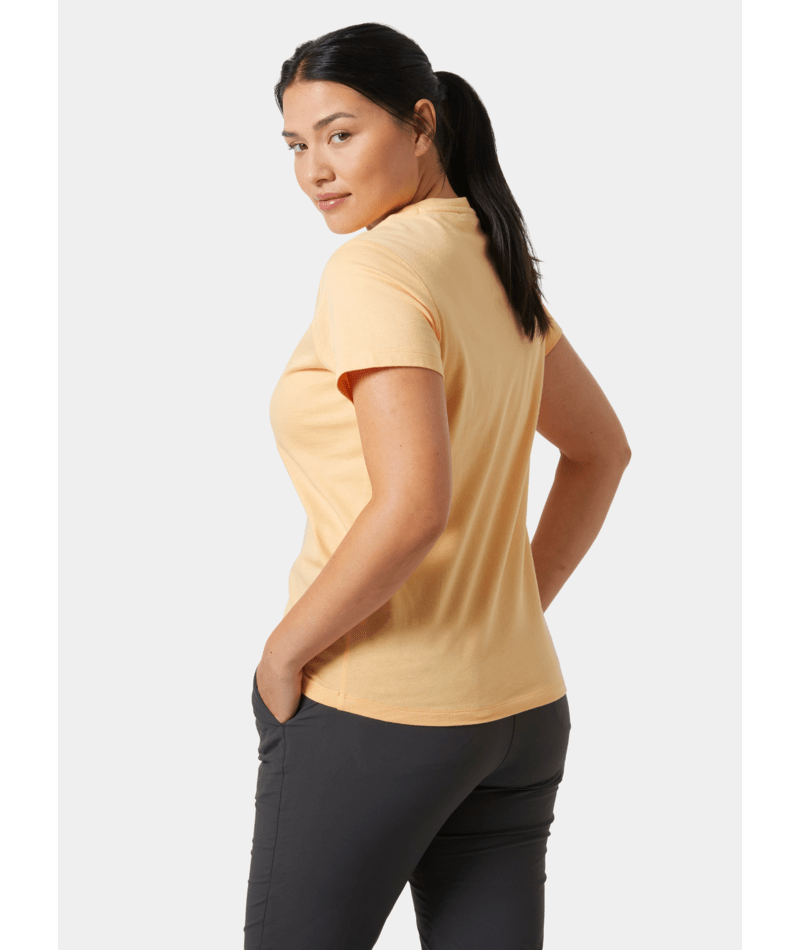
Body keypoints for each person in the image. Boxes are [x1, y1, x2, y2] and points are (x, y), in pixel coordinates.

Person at [243, 21, 631, 950]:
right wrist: (515, 606)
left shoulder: (374, 269)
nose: (315, 171)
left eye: (341, 134)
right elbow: (601, 452)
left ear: (421, 124)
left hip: (381, 708)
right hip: (521, 709)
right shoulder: (492, 256)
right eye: (295, 146)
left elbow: (414, 505)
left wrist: (282, 656)